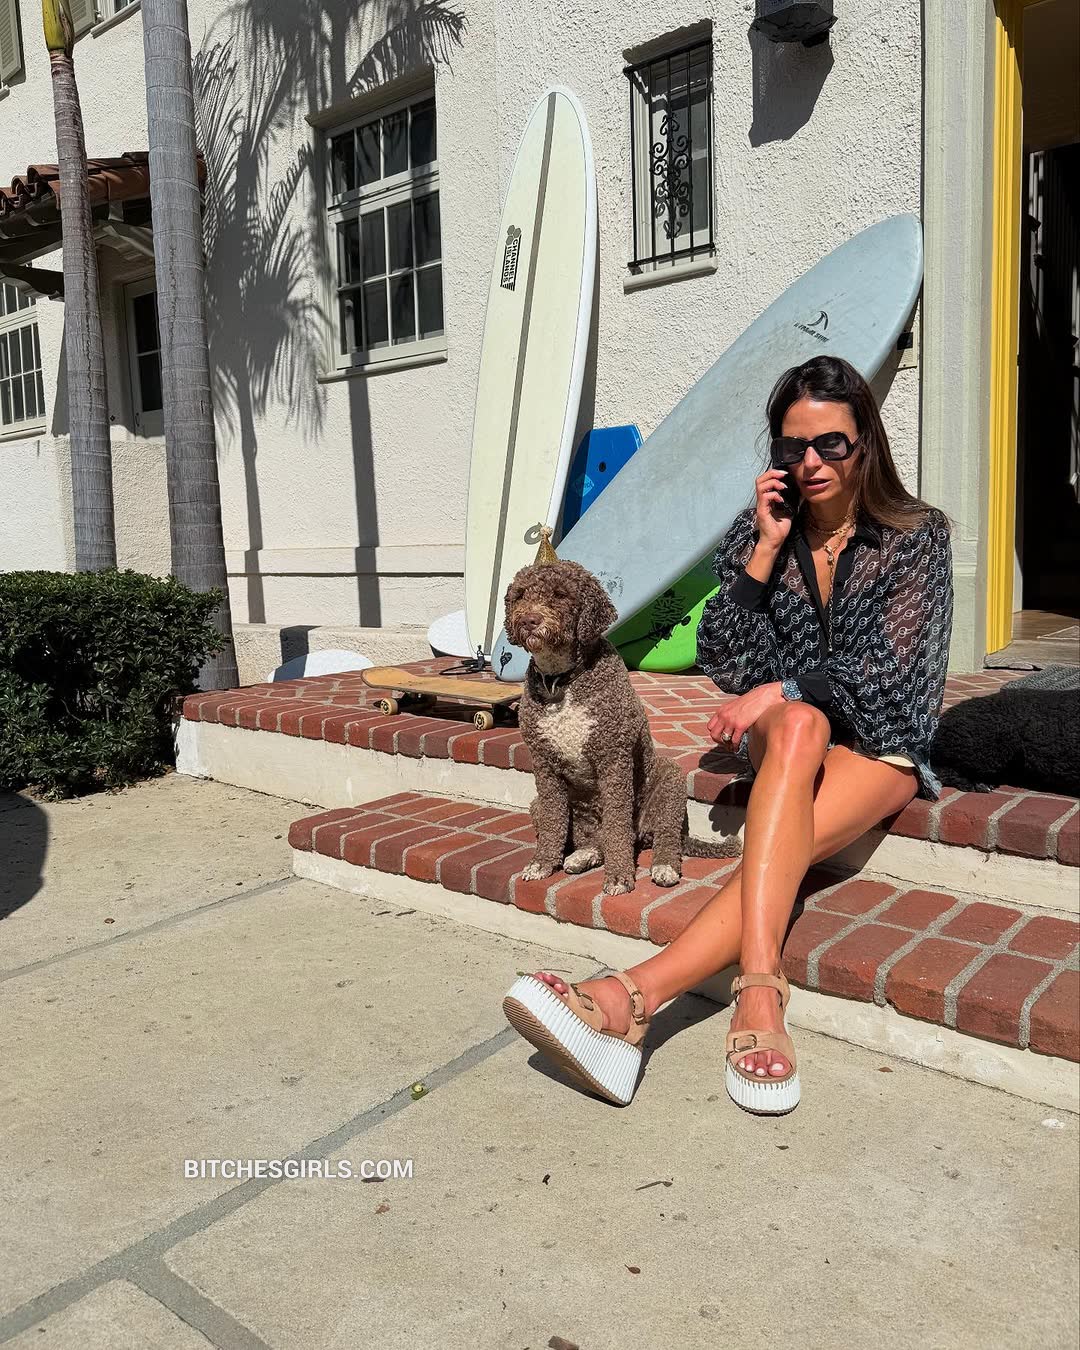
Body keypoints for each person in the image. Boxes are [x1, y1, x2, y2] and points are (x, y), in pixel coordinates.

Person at [502, 354, 954, 1115]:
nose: (810, 463)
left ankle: (631, 1000)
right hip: (787, 735)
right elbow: (722, 656)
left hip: (880, 741)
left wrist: (781, 688)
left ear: (865, 443)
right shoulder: (757, 530)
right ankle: (758, 995)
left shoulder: (916, 536)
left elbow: (894, 677)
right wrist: (766, 551)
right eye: (792, 447)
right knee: (801, 722)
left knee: (778, 826)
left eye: (830, 444)